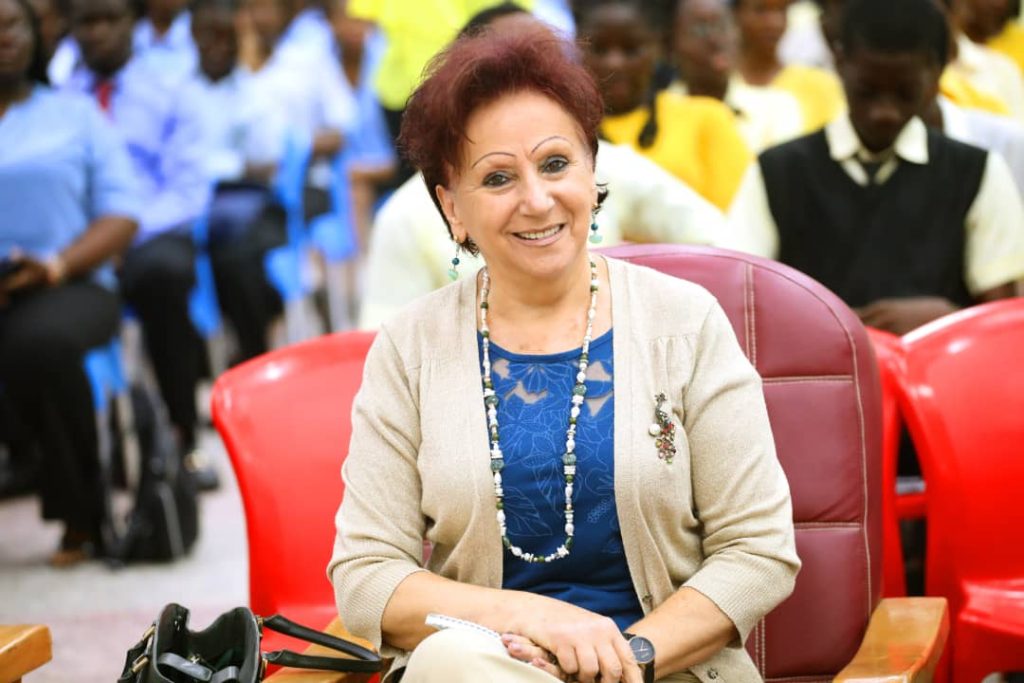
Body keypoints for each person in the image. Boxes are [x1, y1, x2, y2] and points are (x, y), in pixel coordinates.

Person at [329, 21, 799, 683]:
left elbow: (759, 551)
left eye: (555, 163)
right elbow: (366, 578)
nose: (536, 199)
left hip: (665, 669)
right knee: (451, 662)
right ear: (452, 208)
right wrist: (538, 620)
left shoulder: (685, 322)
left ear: (591, 171)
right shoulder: (409, 349)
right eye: (498, 178)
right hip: (485, 668)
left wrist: (628, 657)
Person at [727, 0, 1024, 335]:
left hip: (940, 366)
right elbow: (737, 302)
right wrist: (825, 323)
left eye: (905, 94)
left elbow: (1002, 324)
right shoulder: (776, 172)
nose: (885, 112)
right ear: (839, 62)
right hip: (812, 366)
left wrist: (947, 319)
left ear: (936, 74)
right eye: (867, 92)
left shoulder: (978, 172)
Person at [0, 0, 139, 564]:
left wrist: (56, 265)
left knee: (40, 342)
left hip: (70, 281)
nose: (4, 37)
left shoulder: (74, 115)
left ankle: (80, 511)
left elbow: (122, 215)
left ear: (35, 35)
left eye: (13, 24)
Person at [64, 0, 214, 483]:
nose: (100, 32)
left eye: (110, 19)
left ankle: (183, 437)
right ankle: (74, 458)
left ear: (134, 23)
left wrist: (121, 234)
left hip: (152, 233)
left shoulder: (170, 89)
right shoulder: (61, 99)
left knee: (164, 276)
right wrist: (87, 245)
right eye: (88, 22)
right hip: (78, 246)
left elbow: (188, 191)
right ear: (71, 29)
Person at [575, 0, 752, 210]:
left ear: (658, 49)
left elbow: (738, 217)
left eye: (631, 50)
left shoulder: (708, 117)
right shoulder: (567, 129)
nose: (615, 63)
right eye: (599, 49)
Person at [188, 0, 289, 363]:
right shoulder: (178, 93)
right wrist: (231, 163)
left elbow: (266, 163)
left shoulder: (254, 91)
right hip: (190, 208)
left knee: (239, 261)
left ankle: (253, 354)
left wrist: (218, 166)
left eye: (225, 38)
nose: (217, 47)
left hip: (249, 203)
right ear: (193, 38)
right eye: (208, 37)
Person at [670, 0, 805, 151]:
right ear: (671, 43)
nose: (714, 39)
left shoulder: (779, 109)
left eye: (722, 26)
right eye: (700, 30)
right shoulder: (658, 116)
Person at [732, 0, 844, 131]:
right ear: (735, 14)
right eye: (760, 10)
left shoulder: (820, 85)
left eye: (781, 11)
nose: (774, 23)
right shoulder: (719, 84)